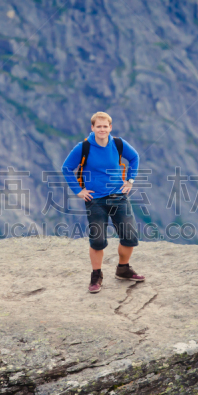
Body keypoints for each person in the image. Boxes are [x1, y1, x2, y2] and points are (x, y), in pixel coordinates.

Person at [61, 111, 145, 293]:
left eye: (105, 126)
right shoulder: (83, 147)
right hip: (95, 200)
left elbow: (134, 157)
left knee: (129, 237)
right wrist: (78, 191)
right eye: (98, 126)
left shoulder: (118, 144)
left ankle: (123, 269)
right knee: (98, 240)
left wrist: (130, 181)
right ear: (92, 128)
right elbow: (66, 168)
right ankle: (96, 275)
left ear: (110, 128)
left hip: (119, 197)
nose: (102, 129)